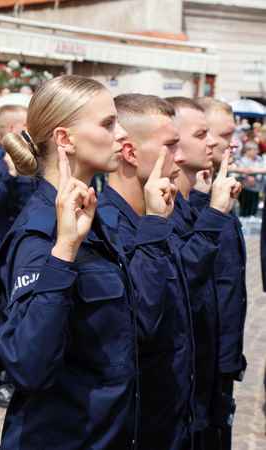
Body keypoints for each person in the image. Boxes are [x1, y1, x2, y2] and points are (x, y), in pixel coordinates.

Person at [0, 74, 158, 449]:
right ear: (65, 139)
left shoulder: (92, 218)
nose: (121, 136)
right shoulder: (40, 236)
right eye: (108, 124)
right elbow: (29, 368)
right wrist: (63, 252)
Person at [97, 94, 194, 449]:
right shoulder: (107, 230)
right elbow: (137, 329)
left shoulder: (158, 217)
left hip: (172, 422)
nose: (179, 157)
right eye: (170, 146)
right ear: (130, 153)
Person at [166, 96, 241, 448]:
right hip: (182, 378)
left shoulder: (204, 204)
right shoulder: (172, 212)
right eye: (204, 133)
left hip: (212, 363)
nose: (215, 141)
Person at [190, 97, 247, 450]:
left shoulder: (220, 192)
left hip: (223, 355)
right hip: (200, 361)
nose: (233, 142)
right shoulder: (189, 204)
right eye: (226, 134)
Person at [0, 105, 37, 241]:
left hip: (28, 235)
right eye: (26, 125)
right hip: (7, 239)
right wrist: (10, 174)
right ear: (11, 129)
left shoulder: (28, 158)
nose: (31, 130)